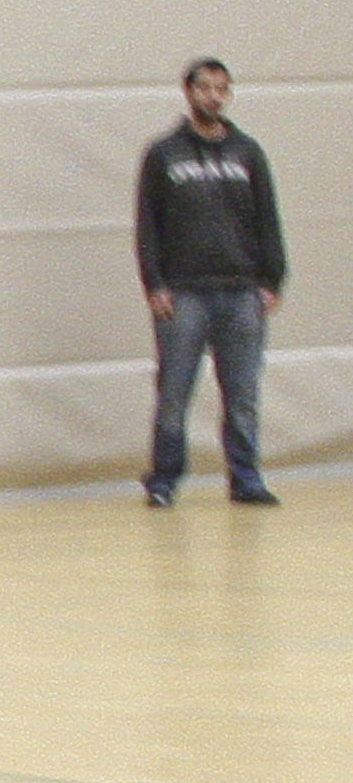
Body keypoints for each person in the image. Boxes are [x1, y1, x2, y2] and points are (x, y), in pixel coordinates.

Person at [137, 58, 289, 507]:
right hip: (183, 293)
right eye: (205, 88)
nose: (214, 97)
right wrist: (154, 284)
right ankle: (164, 480)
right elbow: (148, 224)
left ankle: (246, 479)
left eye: (222, 89)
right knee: (174, 394)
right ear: (189, 92)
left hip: (242, 292)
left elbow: (268, 217)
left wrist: (272, 278)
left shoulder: (248, 152)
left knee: (242, 395)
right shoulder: (164, 154)